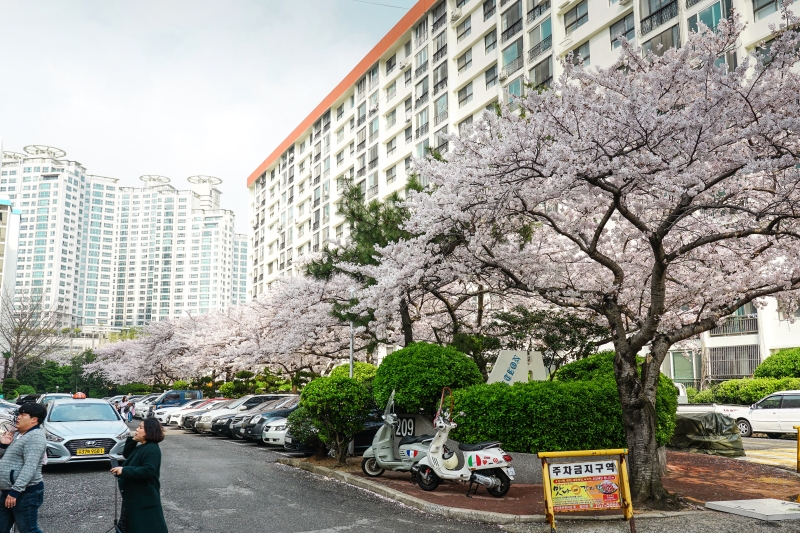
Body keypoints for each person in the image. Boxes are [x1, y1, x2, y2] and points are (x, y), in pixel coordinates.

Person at [110, 418, 168, 533]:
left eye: (140, 428)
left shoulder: (152, 449)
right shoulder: (143, 446)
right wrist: (133, 439)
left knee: (147, 526)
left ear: (149, 431)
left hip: (144, 498)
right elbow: (128, 454)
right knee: (133, 524)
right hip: (136, 496)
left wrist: (124, 471)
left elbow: (148, 470)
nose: (136, 429)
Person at [0, 402, 47, 533]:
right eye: (19, 413)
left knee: (28, 530)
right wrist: (3, 445)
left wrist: (16, 491)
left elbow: (30, 467)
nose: (18, 417)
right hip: (8, 491)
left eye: (23, 414)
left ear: (34, 419)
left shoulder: (35, 437)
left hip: (25, 493)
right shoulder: (17, 434)